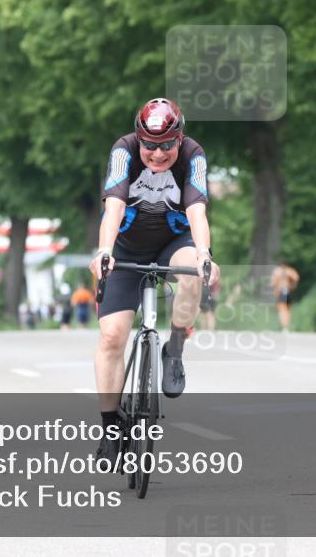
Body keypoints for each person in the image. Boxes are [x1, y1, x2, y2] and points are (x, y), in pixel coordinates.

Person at [88, 98, 219, 466]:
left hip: (173, 243)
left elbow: (197, 211)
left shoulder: (193, 155)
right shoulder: (123, 151)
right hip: (126, 247)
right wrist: (104, 251)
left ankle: (174, 348)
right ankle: (111, 429)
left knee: (193, 274)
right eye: (149, 145)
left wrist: (205, 254)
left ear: (180, 139)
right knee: (112, 337)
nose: (158, 154)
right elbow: (114, 207)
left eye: (166, 145)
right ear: (138, 138)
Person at [270, 261, 300, 333]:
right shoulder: (289, 270)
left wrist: (275, 288)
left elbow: (272, 283)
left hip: (280, 292)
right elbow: (296, 277)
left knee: (282, 310)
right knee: (288, 310)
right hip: (288, 291)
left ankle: (284, 326)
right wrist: (293, 285)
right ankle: (286, 326)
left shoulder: (277, 271)